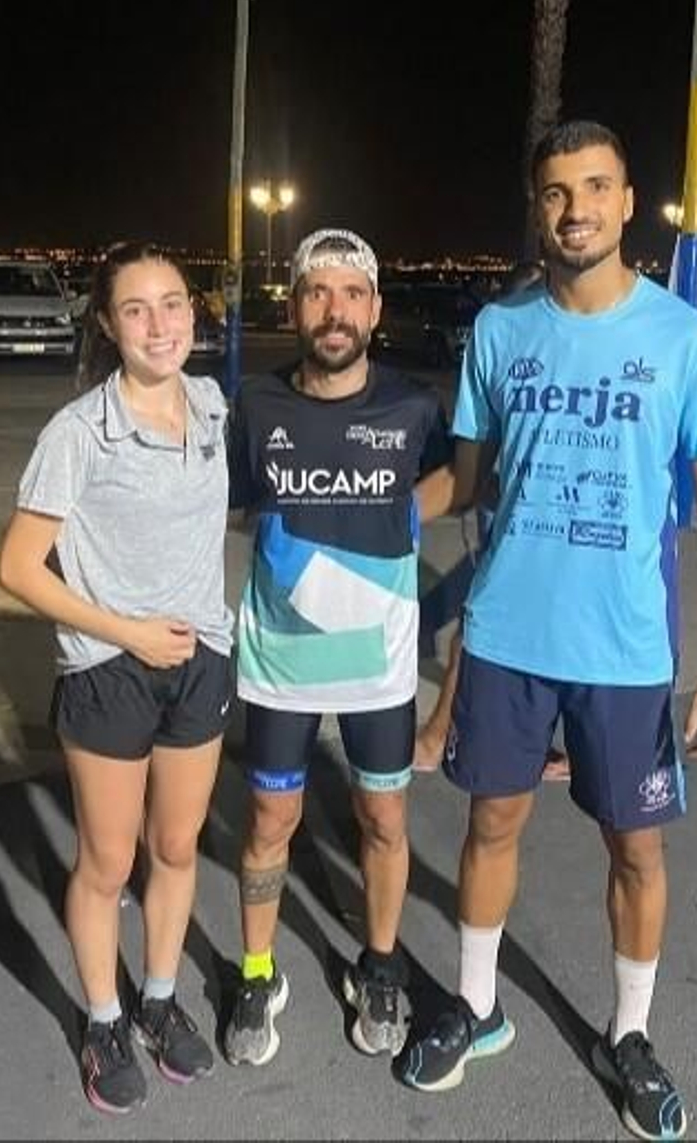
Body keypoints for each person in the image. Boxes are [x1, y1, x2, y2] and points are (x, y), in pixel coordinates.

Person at [398, 121, 697, 1143]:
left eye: (594, 186)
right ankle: (475, 1004)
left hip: (625, 647)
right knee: (489, 824)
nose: (575, 208)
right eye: (555, 191)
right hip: (507, 633)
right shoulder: (499, 330)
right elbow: (463, 480)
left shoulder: (683, 338)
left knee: (633, 845)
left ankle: (627, 1034)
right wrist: (365, 518)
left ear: (628, 200)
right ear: (537, 207)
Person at [0, 242, 233, 1114]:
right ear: (107, 323)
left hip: (200, 660)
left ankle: (160, 1002)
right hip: (107, 671)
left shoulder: (211, 407)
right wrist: (127, 631)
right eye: (136, 309)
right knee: (107, 861)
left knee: (175, 849)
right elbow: (19, 569)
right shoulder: (78, 431)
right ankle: (102, 1020)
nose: (159, 324)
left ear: (194, 312)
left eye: (172, 303)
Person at [223, 228, 453, 1067]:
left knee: (384, 817)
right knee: (270, 820)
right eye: (317, 292)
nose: (335, 309)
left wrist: (409, 514)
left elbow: (467, 473)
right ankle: (258, 972)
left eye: (352, 293)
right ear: (294, 305)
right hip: (280, 661)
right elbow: (218, 500)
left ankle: (381, 965)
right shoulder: (255, 406)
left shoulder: (412, 406)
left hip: (378, 665)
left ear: (376, 310)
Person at [413, 259, 571, 784]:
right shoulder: (503, 345)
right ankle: (439, 734)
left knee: (547, 629)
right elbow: (472, 469)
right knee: (480, 620)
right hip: (506, 520)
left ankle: (546, 738)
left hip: (567, 540)